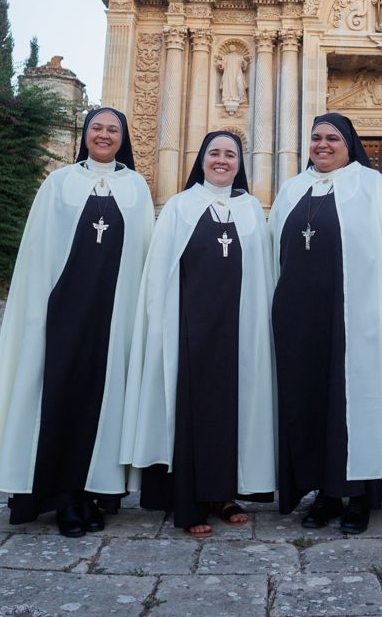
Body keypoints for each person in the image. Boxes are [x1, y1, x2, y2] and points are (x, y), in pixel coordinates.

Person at [0, 108, 154, 536]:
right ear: (85, 135)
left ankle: (93, 491)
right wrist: (37, 310)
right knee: (60, 396)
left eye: (113, 130)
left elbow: (143, 257)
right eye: (97, 128)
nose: (104, 135)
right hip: (61, 312)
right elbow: (38, 252)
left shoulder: (137, 188)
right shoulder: (59, 183)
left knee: (104, 400)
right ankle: (62, 495)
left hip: (113, 316)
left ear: (123, 138)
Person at [268, 112, 382, 535]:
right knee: (312, 400)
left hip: (356, 314)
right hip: (301, 319)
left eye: (332, 138)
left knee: (357, 403)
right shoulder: (293, 188)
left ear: (349, 144)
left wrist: (381, 310)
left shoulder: (370, 185)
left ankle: (359, 496)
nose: (322, 144)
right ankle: (325, 493)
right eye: (316, 138)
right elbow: (272, 253)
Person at [121, 131, 275, 536]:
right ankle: (187, 503)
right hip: (188, 328)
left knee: (231, 410)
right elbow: (160, 272)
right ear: (201, 160)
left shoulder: (251, 211)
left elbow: (262, 277)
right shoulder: (180, 206)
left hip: (238, 329)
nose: (222, 160)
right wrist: (163, 322)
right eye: (214, 154)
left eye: (230, 155)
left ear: (240, 164)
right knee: (190, 409)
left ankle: (223, 494)